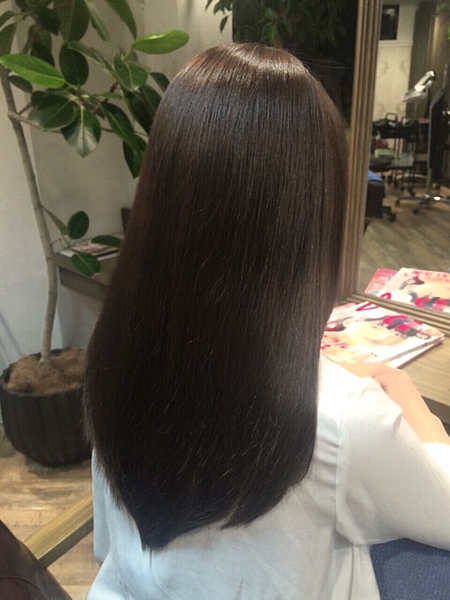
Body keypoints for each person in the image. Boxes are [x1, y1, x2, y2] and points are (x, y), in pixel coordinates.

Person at [83, 43, 450, 600]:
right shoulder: (342, 418)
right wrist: (415, 410)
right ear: (312, 223)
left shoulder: (114, 364)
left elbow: (107, 550)